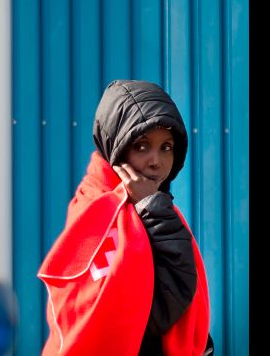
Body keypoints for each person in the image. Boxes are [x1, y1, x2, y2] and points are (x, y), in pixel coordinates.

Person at [38, 80, 214, 355]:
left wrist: (152, 207)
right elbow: (149, 313)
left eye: (166, 147)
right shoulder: (99, 210)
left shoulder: (153, 206)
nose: (156, 161)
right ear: (115, 147)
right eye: (142, 146)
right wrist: (152, 208)